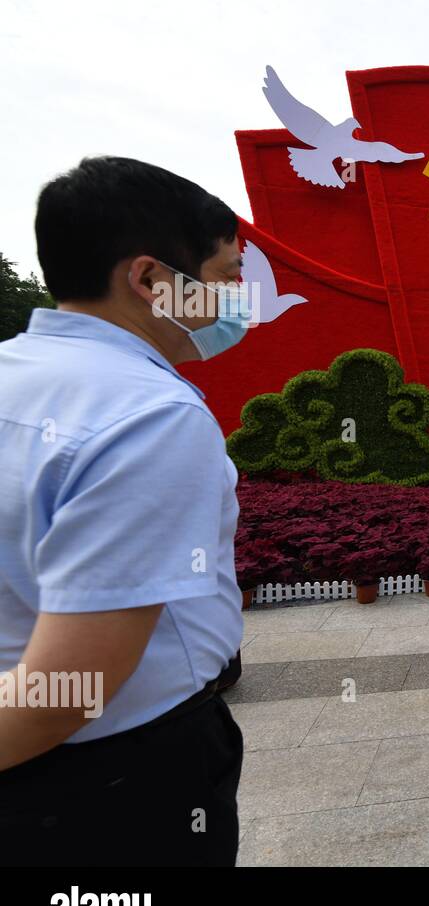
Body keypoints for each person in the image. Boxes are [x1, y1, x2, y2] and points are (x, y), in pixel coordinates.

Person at [0, 157, 251, 865]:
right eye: (228, 277)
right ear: (149, 280)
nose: (240, 300)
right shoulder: (148, 417)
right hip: (111, 786)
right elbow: (62, 694)